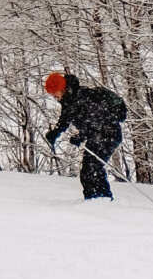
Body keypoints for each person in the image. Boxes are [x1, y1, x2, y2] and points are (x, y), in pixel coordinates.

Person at [43, 71, 126, 201]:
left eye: (54, 93)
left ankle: (102, 200)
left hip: (108, 134)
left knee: (92, 169)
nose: (53, 96)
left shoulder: (82, 97)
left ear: (61, 88)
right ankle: (95, 200)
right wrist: (55, 132)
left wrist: (81, 136)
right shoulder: (69, 100)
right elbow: (65, 118)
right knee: (88, 171)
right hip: (97, 135)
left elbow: (96, 121)